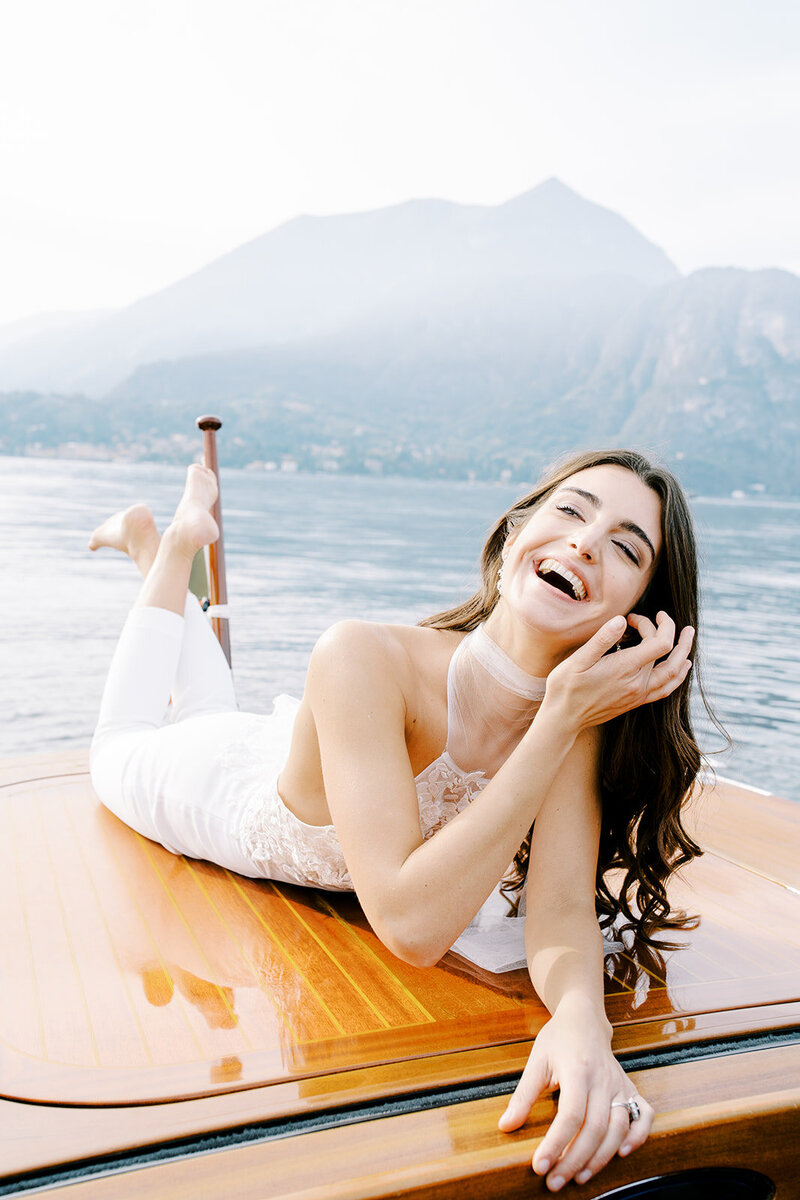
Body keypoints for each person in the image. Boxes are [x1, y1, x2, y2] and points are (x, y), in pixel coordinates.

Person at [89, 447, 704, 1192]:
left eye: (624, 547)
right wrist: (559, 717)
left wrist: (581, 1020)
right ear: (515, 539)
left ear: (636, 618)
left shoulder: (579, 720)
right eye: (571, 512)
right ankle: (164, 545)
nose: (584, 542)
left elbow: (562, 909)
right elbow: (411, 928)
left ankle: (171, 543)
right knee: (123, 739)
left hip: (306, 752)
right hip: (211, 789)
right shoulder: (362, 653)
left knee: (210, 704)